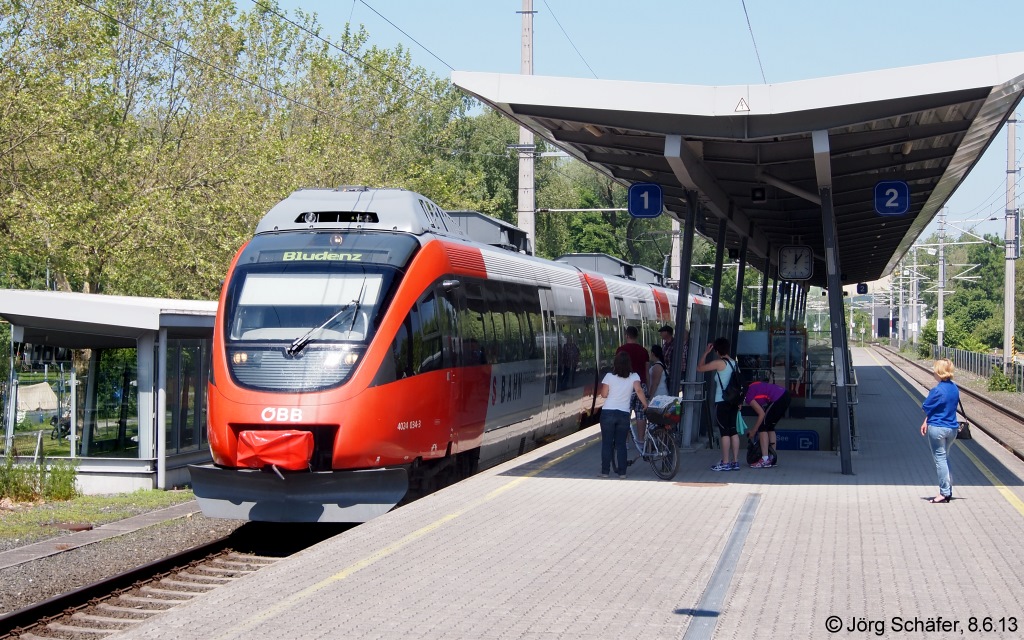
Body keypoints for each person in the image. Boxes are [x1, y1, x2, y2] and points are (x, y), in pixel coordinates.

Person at [599, 351, 648, 479]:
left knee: (607, 443)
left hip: (608, 412)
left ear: (615, 363)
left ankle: (605, 472)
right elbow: (638, 390)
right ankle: (622, 473)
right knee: (621, 444)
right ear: (629, 364)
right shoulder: (634, 377)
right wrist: (645, 404)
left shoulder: (609, 377)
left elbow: (604, 395)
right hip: (623, 414)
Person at [697, 337, 741, 471]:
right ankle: (735, 461)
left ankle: (725, 462)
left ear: (717, 350)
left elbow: (700, 368)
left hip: (722, 401)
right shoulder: (735, 364)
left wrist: (705, 352)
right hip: (734, 402)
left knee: (724, 432)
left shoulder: (719, 363)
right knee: (733, 431)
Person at [920, 358, 960, 503]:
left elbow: (926, 406)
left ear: (939, 372)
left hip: (938, 428)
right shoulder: (954, 388)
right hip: (952, 429)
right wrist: (926, 421)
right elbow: (942, 408)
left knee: (940, 460)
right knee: (945, 457)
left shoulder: (937, 390)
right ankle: (948, 489)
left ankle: (944, 493)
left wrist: (927, 419)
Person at [743, 380, 790, 468]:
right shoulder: (753, 386)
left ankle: (765, 460)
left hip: (778, 398)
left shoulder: (748, 396)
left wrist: (753, 431)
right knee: (770, 427)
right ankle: (772, 458)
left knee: (762, 428)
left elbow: (761, 414)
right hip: (785, 395)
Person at [616, 326, 650, 440]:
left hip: (626, 387)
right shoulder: (643, 351)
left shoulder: (621, 350)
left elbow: (617, 370)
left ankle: (624, 441)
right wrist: (647, 388)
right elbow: (646, 371)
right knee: (641, 415)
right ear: (637, 336)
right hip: (641, 386)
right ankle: (641, 440)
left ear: (627, 336)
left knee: (626, 414)